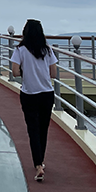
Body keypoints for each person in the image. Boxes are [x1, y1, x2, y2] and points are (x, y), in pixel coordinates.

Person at [11, 19, 58, 182]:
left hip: (29, 93)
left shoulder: (20, 50)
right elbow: (53, 73)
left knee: (33, 129)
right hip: (47, 93)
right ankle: (41, 161)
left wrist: (27, 72)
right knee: (43, 128)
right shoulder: (47, 50)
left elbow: (15, 72)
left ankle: (38, 164)